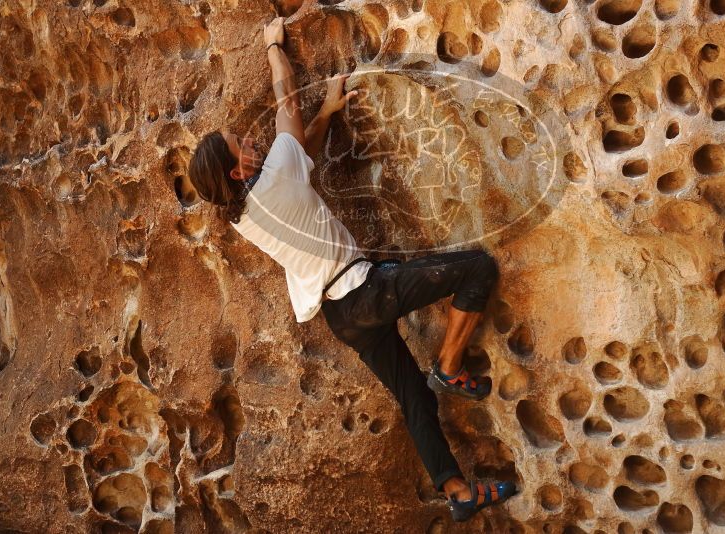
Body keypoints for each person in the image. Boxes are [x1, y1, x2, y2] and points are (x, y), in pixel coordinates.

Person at [187, 17, 516, 522]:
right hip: (365, 291)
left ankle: (457, 492)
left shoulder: (244, 214)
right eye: (241, 146)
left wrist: (328, 110)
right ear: (237, 171)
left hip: (341, 318)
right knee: (478, 268)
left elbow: (298, 152)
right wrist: (274, 48)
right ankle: (450, 366)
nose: (251, 143)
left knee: (413, 399)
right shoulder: (275, 175)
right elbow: (287, 110)